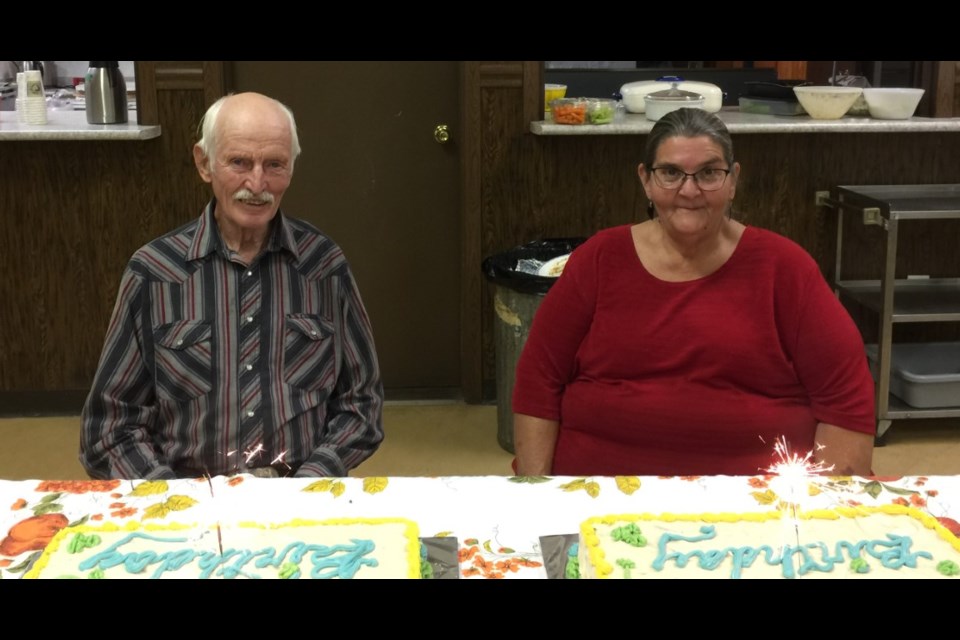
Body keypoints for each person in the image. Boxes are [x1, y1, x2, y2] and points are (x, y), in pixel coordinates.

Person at [512, 108, 875, 478]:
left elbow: (845, 400)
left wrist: (829, 515)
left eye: (708, 173)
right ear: (646, 181)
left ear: (733, 180)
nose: (689, 190)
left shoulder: (785, 268)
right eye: (670, 173)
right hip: (598, 493)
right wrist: (537, 496)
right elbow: (538, 381)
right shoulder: (598, 259)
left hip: (759, 508)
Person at [80, 92, 384, 479]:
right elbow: (108, 429)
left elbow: (362, 405)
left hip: (303, 498)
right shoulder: (153, 273)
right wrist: (177, 503)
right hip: (188, 501)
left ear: (292, 169)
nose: (257, 183)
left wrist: (309, 486)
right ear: (204, 163)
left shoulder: (324, 266)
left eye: (274, 164)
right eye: (239, 162)